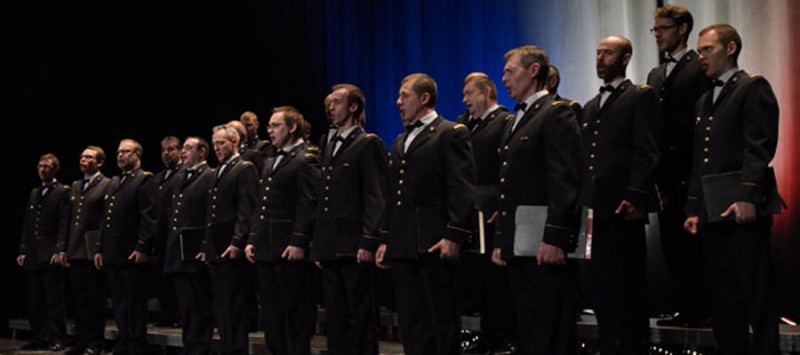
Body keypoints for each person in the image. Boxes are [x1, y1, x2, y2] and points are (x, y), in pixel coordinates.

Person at [684, 23, 780, 355]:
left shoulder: (752, 87)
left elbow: (760, 146)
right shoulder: (704, 100)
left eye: (707, 49)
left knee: (755, 291)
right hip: (713, 208)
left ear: (731, 48)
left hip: (741, 207)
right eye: (698, 51)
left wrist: (747, 196)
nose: (701, 57)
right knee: (722, 296)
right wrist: (693, 208)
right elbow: (701, 158)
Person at [491, 45, 583, 355]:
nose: (504, 78)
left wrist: (555, 236)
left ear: (533, 71)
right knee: (530, 330)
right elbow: (511, 185)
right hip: (521, 243)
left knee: (550, 331)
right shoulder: (517, 119)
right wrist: (502, 241)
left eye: (510, 71)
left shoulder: (556, 112)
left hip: (544, 243)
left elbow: (564, 178)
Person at [375, 73, 475, 355]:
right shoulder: (399, 140)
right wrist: (385, 239)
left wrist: (454, 234)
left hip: (433, 243)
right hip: (403, 245)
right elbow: (393, 195)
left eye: (404, 95)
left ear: (424, 98)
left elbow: (461, 188)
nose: (397, 102)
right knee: (412, 322)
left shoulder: (450, 132)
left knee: (440, 320)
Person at [581, 36, 661, 354]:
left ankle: (632, 344)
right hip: (595, 206)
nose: (600, 58)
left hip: (623, 204)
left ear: (626, 57)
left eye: (608, 53)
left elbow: (647, 149)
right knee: (600, 282)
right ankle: (610, 340)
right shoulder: (589, 106)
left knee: (627, 280)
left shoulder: (641, 96)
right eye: (598, 52)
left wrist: (637, 194)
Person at [645, 4, 711, 327]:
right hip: (664, 171)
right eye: (655, 29)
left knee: (695, 243)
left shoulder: (699, 67)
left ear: (682, 28)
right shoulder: (655, 74)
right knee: (671, 242)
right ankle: (685, 305)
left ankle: (702, 308)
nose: (657, 34)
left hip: (690, 165)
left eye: (663, 28)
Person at [310, 84, 387, 355]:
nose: (331, 107)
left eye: (337, 102)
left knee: (360, 316)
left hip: (354, 245)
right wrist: (319, 243)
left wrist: (368, 240)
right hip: (331, 246)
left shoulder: (368, 143)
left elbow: (375, 196)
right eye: (330, 103)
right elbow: (325, 199)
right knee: (336, 318)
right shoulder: (328, 144)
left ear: (353, 107)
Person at [246, 106, 320, 355]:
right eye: (269, 125)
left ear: (292, 127)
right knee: (272, 316)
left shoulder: (306, 157)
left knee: (294, 316)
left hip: (288, 249)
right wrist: (253, 238)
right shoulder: (270, 161)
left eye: (276, 125)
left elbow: (308, 203)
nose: (270, 130)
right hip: (267, 248)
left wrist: (299, 241)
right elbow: (261, 205)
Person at [455, 72, 518, 352]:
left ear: (487, 93)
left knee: (496, 278)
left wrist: (500, 206)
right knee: (475, 275)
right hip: (469, 211)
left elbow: (507, 168)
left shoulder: (504, 122)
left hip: (492, 208)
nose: (465, 99)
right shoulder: (463, 125)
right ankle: (485, 331)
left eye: (470, 93)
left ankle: (501, 334)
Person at [94, 139, 158, 355]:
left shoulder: (144, 179)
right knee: (120, 302)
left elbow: (148, 217)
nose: (121, 156)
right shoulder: (114, 182)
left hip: (131, 252)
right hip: (113, 252)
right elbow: (105, 220)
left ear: (137, 155)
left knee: (134, 303)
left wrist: (142, 247)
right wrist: (99, 248)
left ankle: (136, 345)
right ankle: (124, 341)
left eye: (126, 152)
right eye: (119, 152)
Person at [207, 124, 258, 355]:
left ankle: (236, 350)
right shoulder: (219, 169)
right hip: (217, 247)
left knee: (234, 307)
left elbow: (246, 209)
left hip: (230, 246)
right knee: (222, 307)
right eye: (215, 144)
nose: (216, 148)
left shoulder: (244, 168)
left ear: (234, 143)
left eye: (222, 143)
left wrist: (237, 241)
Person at [55, 146, 111, 355]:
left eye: (88, 157)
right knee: (78, 300)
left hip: (92, 250)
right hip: (75, 250)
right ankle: (81, 341)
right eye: (81, 157)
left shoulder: (106, 184)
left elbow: (106, 220)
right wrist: (62, 248)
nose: (83, 160)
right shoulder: (75, 186)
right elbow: (67, 221)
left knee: (94, 300)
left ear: (99, 162)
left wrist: (100, 247)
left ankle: (95, 343)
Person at [164, 136, 215, 355]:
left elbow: (209, 215)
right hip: (178, 251)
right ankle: (190, 346)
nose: (183, 152)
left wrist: (204, 245)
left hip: (195, 252)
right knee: (185, 307)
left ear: (202, 151)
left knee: (198, 306)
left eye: (188, 148)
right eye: (182, 148)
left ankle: (200, 348)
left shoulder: (209, 175)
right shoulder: (180, 177)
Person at [17, 153, 70, 351]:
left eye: (47, 166)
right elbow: (28, 224)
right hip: (32, 253)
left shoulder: (62, 191)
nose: (42, 169)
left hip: (50, 253)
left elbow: (64, 223)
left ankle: (57, 337)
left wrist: (60, 249)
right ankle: (39, 336)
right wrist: (23, 249)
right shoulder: (34, 192)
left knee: (53, 298)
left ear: (55, 169)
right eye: (40, 166)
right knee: (35, 299)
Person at [152, 136, 183, 327]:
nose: (166, 153)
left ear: (179, 151)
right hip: (160, 234)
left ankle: (178, 315)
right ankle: (167, 313)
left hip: (176, 233)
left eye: (171, 149)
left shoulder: (183, 173)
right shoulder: (158, 177)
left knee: (176, 278)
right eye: (164, 150)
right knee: (162, 277)